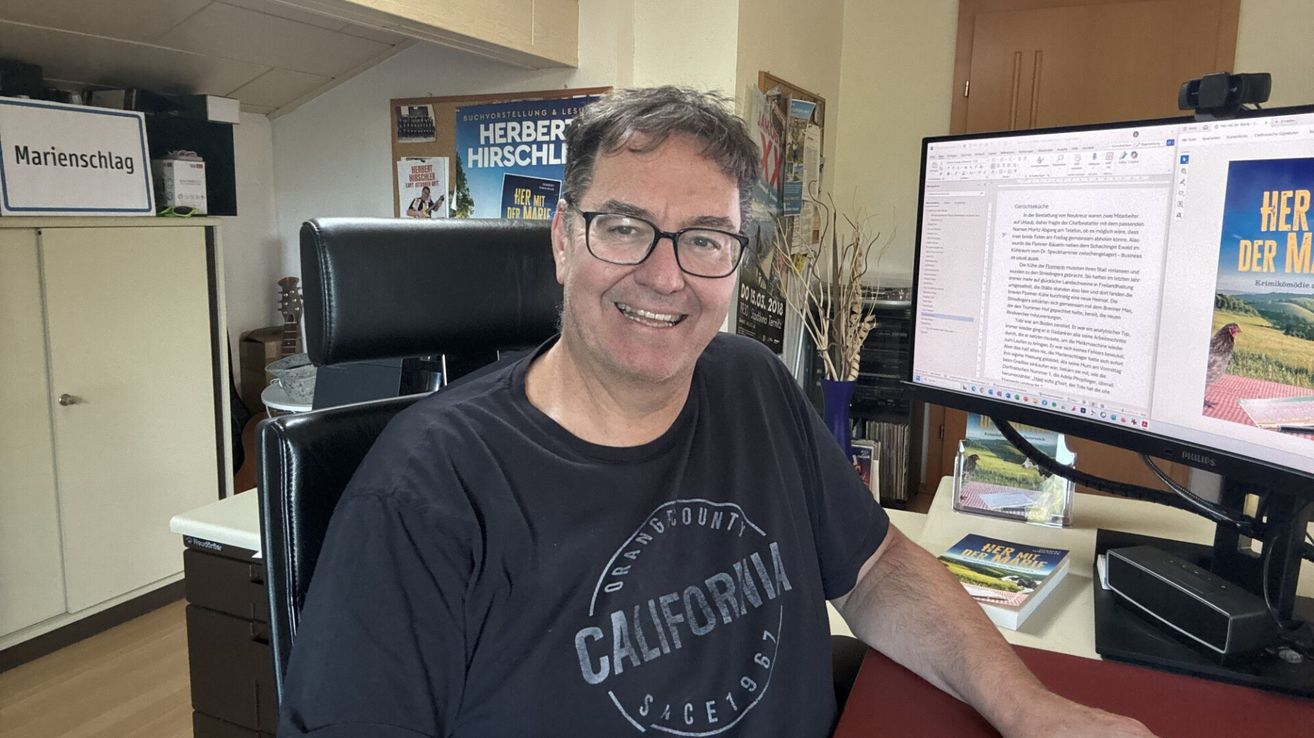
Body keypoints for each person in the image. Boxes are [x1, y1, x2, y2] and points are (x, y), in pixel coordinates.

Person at [278, 87, 1157, 737]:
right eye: (623, 227)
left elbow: (876, 566)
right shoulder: (428, 493)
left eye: (704, 239)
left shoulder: (751, 384)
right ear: (560, 236)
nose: (665, 276)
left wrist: (1031, 710)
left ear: (735, 262)